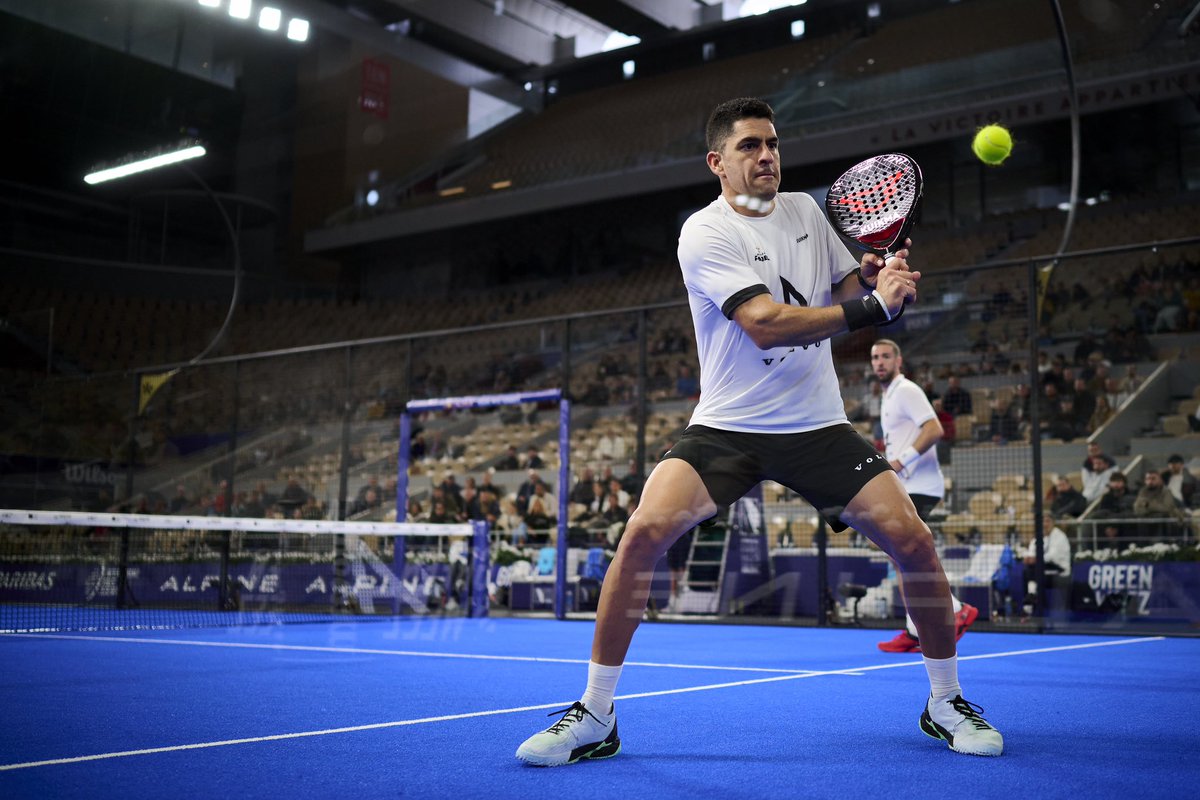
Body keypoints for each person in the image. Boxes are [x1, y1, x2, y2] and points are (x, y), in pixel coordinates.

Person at [516, 98, 1002, 766]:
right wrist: (869, 305)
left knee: (914, 541)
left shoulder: (806, 210)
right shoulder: (703, 233)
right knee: (642, 536)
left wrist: (872, 280)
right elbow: (766, 321)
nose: (767, 155)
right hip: (728, 427)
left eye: (772, 143)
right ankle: (596, 713)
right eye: (749, 146)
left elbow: (843, 298)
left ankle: (945, 701)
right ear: (717, 162)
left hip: (817, 426)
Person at [869, 339, 978, 654]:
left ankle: (956, 609)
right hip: (905, 485)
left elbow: (933, 429)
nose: (880, 362)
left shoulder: (906, 390)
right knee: (900, 554)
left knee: (905, 553)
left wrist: (901, 461)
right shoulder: (888, 395)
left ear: (899, 360)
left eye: (886, 356)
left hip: (922, 485)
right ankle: (915, 629)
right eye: (875, 357)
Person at [1022, 514, 1072, 613]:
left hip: (1060, 571)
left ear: (1053, 523)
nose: (1045, 524)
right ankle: (1033, 599)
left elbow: (1052, 556)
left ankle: (1032, 601)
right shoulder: (1040, 536)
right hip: (1046, 570)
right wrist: (1028, 557)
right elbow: (1031, 550)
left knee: (1034, 572)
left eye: (1048, 521)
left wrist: (1035, 559)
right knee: (1027, 572)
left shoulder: (1059, 536)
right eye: (1043, 522)